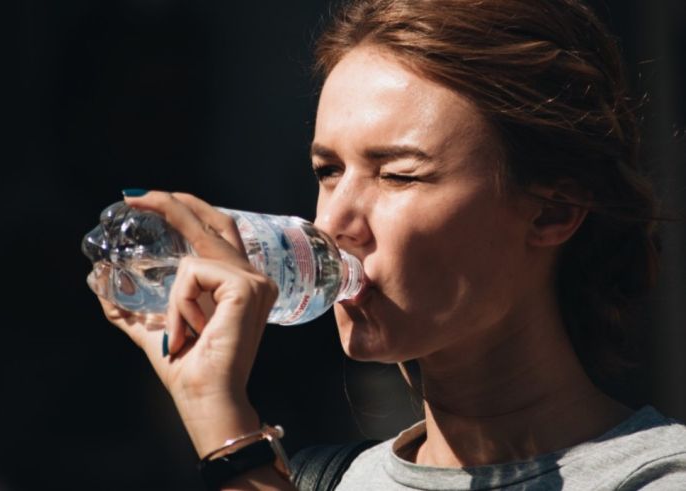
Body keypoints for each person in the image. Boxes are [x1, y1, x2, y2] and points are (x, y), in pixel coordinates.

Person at [89, 0, 686, 489]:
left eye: (399, 174)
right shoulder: (326, 480)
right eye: (328, 171)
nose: (337, 220)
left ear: (553, 211)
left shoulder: (652, 475)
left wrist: (230, 436)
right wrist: (201, 393)